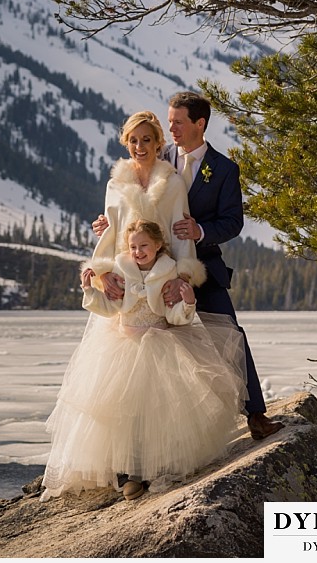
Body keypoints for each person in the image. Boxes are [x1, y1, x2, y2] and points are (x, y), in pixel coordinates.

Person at [92, 92, 284, 441]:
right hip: (149, 268)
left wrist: (201, 231)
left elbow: (233, 222)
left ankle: (256, 414)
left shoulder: (224, 169)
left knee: (228, 331)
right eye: (170, 122)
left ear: (200, 123)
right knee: (146, 352)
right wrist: (108, 223)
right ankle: (151, 440)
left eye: (178, 121)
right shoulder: (156, 152)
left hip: (200, 263)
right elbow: (128, 195)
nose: (172, 128)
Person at [40, 218, 247, 502]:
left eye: (144, 246)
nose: (138, 252)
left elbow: (174, 317)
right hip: (123, 345)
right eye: (133, 247)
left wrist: (187, 302)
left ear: (158, 245)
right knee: (125, 412)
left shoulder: (169, 272)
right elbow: (110, 308)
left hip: (161, 344)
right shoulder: (121, 269)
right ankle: (128, 473)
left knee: (161, 410)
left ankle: (158, 465)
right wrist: (90, 291)